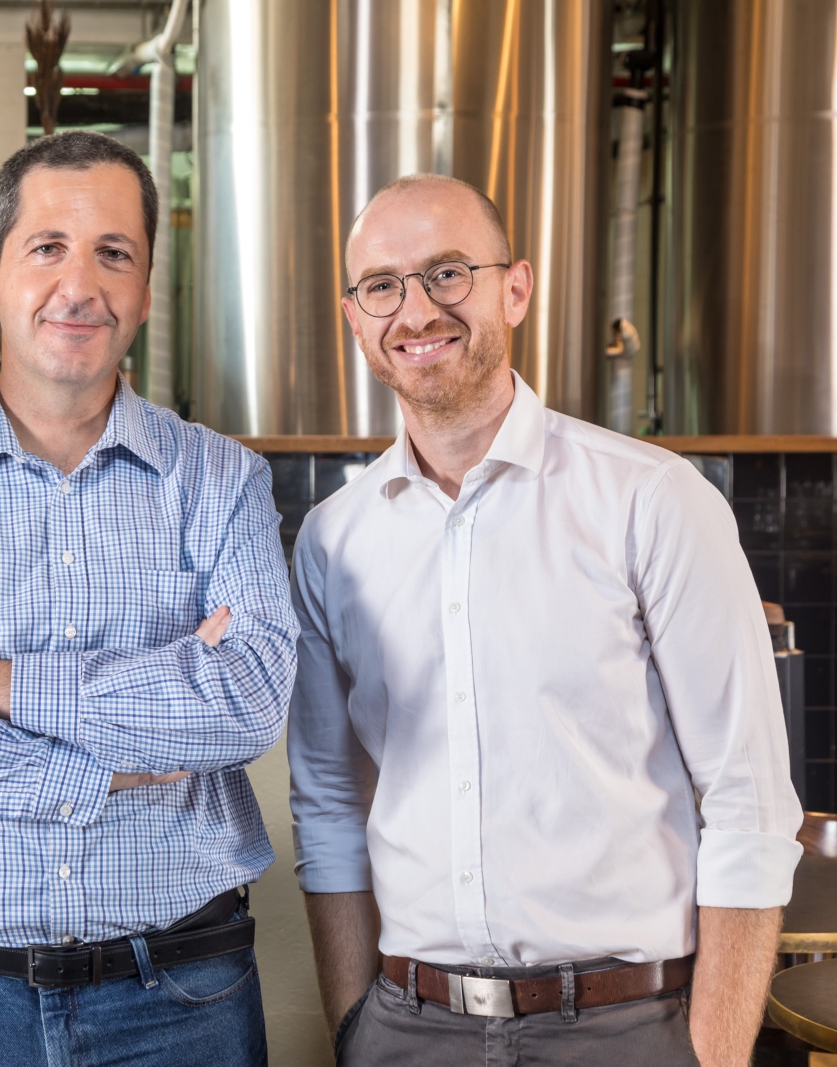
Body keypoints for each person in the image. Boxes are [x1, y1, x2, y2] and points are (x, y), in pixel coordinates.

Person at [289, 173, 804, 1067]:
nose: (415, 310)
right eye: (382, 285)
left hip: (629, 1028)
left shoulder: (652, 500)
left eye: (448, 273)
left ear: (515, 288)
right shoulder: (335, 539)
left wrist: (712, 1054)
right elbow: (330, 804)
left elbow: (749, 805)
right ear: (354, 315)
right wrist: (352, 1025)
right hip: (409, 1028)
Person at [0, 130, 298, 1066]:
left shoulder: (223, 480)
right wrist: (110, 764)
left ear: (146, 291)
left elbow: (243, 703)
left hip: (180, 1000)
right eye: (48, 249)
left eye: (114, 254)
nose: (80, 286)